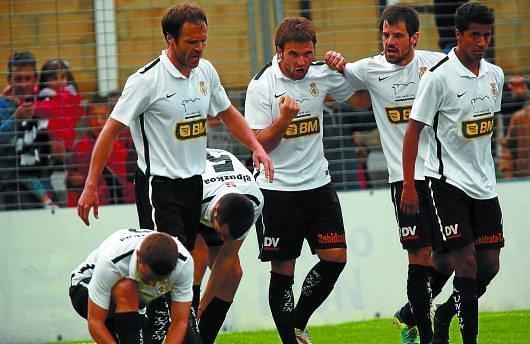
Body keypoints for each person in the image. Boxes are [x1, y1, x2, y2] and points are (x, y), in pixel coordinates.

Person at [76, 4, 272, 251]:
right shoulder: (146, 80)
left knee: (184, 262)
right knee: (166, 259)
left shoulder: (206, 71)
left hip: (194, 183)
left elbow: (227, 112)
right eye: (191, 42)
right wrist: (91, 185)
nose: (199, 48)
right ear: (170, 38)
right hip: (159, 186)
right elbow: (110, 131)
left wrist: (256, 146)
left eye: (203, 41)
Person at [324, 5, 452, 344]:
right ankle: (422, 334)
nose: (389, 42)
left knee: (449, 257)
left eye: (397, 35)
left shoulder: (436, 63)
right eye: (385, 35)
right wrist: (337, 62)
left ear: (414, 37)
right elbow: (337, 80)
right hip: (404, 178)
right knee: (419, 254)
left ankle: (409, 313)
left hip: (443, 174)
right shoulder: (369, 69)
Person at [244, 16, 367, 344]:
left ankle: (297, 322)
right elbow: (259, 144)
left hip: (318, 185)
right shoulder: (261, 86)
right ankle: (290, 339)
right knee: (283, 270)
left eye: (307, 54)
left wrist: (344, 69)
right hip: (277, 189)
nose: (302, 62)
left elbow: (361, 99)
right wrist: (284, 118)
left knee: (336, 258)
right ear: (278, 51)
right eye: (294, 55)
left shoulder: (319, 74)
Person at [401, 3, 504, 344]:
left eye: (487, 35)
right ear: (458, 35)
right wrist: (410, 187)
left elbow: (485, 130)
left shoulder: (495, 76)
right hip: (445, 184)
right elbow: (413, 131)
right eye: (475, 34)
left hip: (484, 186)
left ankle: (444, 312)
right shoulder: (438, 77)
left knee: (489, 266)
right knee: (466, 263)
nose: (482, 42)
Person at [153, 148, 263, 344]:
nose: (221, 237)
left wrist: (204, 305)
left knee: (233, 275)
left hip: (218, 193)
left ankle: (202, 339)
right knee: (198, 258)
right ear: (216, 212)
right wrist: (194, 305)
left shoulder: (253, 202)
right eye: (219, 231)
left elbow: (227, 257)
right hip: (181, 189)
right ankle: (182, 326)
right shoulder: (193, 193)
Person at [68, 228, 201, 343]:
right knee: (127, 288)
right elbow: (95, 322)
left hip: (132, 304)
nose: (152, 284)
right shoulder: (113, 261)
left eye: (160, 280)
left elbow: (180, 321)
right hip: (85, 287)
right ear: (138, 256)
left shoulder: (184, 265)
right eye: (148, 277)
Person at [0, 51, 56, 211]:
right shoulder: (3, 107)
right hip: (9, 192)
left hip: (45, 187)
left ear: (35, 78)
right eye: (18, 79)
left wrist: (59, 155)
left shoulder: (45, 105)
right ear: (9, 80)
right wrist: (15, 119)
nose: (23, 83)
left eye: (28, 78)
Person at [67, 95, 135, 206]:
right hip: (95, 206)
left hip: (127, 204)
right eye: (93, 117)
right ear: (86, 118)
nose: (98, 122)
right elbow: (73, 185)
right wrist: (75, 181)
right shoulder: (81, 147)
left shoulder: (123, 142)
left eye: (104, 117)